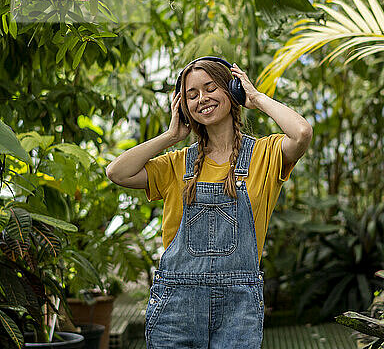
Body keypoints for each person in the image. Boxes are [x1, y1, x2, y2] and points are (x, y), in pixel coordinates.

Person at [105, 58, 312, 348]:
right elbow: (116, 172)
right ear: (183, 107)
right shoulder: (176, 164)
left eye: (210, 88)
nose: (202, 99)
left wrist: (255, 97)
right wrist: (170, 136)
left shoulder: (265, 155)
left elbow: (301, 133)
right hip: (177, 306)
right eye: (192, 95)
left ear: (232, 91)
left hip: (238, 308)